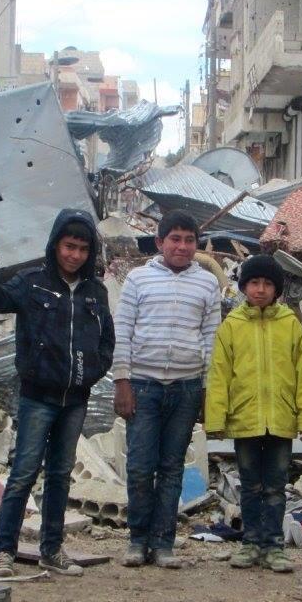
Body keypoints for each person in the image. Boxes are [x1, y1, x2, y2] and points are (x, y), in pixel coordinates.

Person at [0, 209, 115, 578]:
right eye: (69, 246)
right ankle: (4, 552)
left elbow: (106, 340)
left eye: (83, 248)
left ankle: (52, 551)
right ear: (55, 246)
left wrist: (92, 373)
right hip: (37, 398)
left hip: (75, 401)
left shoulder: (95, 291)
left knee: (60, 476)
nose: (75, 255)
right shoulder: (32, 282)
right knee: (23, 474)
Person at [112, 209, 221, 569]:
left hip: (187, 388)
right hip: (142, 386)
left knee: (172, 467)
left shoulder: (207, 284)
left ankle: (163, 544)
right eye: (175, 239)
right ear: (160, 243)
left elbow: (211, 340)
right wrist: (122, 381)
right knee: (141, 467)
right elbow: (123, 332)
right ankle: (137, 540)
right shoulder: (138, 280)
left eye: (189, 240)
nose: (182, 246)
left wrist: (207, 391)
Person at [205, 254, 302, 573]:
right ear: (244, 287)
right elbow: (220, 374)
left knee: (274, 485)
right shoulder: (231, 326)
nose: (260, 289)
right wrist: (216, 420)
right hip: (245, 422)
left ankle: (273, 546)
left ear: (277, 289)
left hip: (281, 422)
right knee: (251, 485)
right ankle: (250, 544)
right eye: (254, 283)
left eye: (267, 283)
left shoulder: (290, 326)